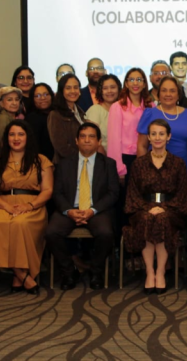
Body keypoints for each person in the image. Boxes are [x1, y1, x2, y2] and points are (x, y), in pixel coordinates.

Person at [0, 120, 54, 293]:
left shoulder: (41, 160)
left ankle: (18, 274)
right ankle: (22, 275)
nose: (16, 138)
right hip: (2, 204)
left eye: (21, 134)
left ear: (28, 137)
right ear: (6, 138)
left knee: (21, 223)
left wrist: (30, 205)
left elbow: (48, 190)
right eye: (12, 134)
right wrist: (6, 206)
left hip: (32, 206)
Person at [46, 123, 119, 290]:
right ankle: (69, 272)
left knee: (106, 233)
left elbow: (113, 193)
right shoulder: (64, 164)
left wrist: (92, 210)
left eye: (91, 137)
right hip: (69, 209)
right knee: (51, 233)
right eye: (83, 137)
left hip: (96, 209)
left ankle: (96, 271)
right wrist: (69, 211)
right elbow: (57, 193)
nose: (87, 140)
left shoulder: (108, 164)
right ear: (76, 141)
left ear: (99, 141)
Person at [123, 119, 187, 294]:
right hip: (143, 207)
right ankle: (149, 272)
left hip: (172, 209)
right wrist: (147, 208)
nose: (157, 137)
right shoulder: (139, 164)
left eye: (161, 134)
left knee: (161, 218)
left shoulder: (178, 163)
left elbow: (183, 194)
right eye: (153, 134)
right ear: (149, 137)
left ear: (168, 136)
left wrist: (165, 207)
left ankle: (160, 271)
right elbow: (133, 193)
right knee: (147, 218)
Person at [137, 76, 187, 180]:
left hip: (184, 168)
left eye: (172, 91)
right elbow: (142, 145)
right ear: (158, 94)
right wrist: (143, 170)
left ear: (178, 94)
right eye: (164, 90)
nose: (168, 94)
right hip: (155, 168)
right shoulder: (149, 113)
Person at [107, 68, 155, 183]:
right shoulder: (117, 107)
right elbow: (114, 141)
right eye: (132, 80)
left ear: (144, 84)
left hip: (147, 157)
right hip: (125, 159)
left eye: (139, 79)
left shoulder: (151, 106)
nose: (135, 83)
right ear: (126, 84)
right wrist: (119, 168)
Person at [48, 74, 85, 164]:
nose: (73, 91)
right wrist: (82, 157)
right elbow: (61, 146)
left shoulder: (80, 112)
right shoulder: (55, 115)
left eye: (76, 87)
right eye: (68, 88)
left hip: (82, 162)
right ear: (61, 91)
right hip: (66, 165)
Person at [84, 74, 121, 155]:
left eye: (113, 87)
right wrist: (106, 159)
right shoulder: (95, 110)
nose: (109, 91)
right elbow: (92, 139)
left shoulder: (124, 110)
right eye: (105, 88)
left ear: (119, 89)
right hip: (102, 158)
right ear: (100, 91)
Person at [25, 83, 56, 161]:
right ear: (32, 99)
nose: (43, 98)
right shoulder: (31, 119)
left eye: (46, 94)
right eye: (38, 96)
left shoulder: (58, 115)